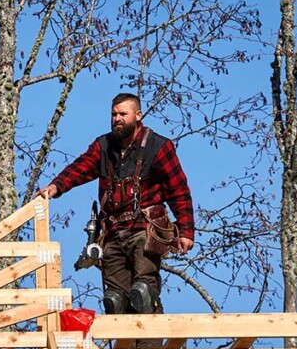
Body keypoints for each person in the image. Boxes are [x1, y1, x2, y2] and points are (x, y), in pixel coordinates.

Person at [37, 93, 194, 318]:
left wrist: (186, 231)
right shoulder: (104, 146)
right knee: (115, 301)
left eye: (123, 114)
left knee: (144, 294)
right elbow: (80, 168)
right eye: (113, 114)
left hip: (144, 230)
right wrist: (56, 186)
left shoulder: (158, 146)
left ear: (138, 116)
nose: (117, 119)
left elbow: (178, 190)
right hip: (111, 233)